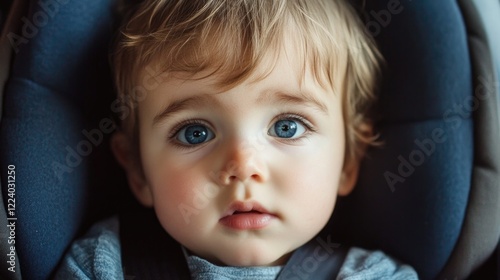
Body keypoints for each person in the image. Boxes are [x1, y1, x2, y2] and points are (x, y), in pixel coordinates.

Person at [55, 0, 418, 279]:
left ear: (348, 161)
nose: (243, 166)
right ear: (138, 170)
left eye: (287, 127)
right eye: (195, 133)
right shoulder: (103, 266)